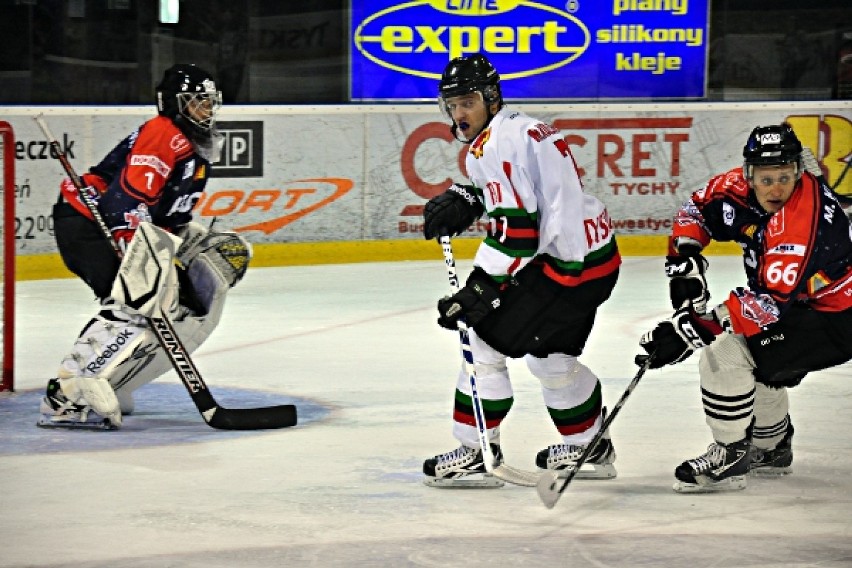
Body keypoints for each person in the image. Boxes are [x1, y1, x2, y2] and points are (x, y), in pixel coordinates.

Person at [420, 54, 622, 487]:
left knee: (482, 341)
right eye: (451, 105)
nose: (459, 115)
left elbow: (519, 235)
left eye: (467, 103)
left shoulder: (495, 144)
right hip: (597, 260)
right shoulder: (521, 125)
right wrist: (471, 196)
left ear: (491, 98)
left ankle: (474, 453)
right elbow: (531, 189)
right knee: (552, 357)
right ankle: (590, 446)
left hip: (562, 271)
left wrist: (480, 289)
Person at [638, 123, 852, 493]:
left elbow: (765, 305)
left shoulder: (800, 220)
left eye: (784, 178)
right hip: (803, 304)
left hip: (835, 317)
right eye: (766, 179)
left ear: (798, 173)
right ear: (749, 174)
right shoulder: (734, 188)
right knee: (764, 363)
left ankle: (730, 454)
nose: (776, 189)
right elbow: (696, 210)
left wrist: (688, 330)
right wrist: (686, 257)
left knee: (726, 353)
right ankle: (770, 448)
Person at [39, 63, 252, 429]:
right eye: (198, 102)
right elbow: (129, 199)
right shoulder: (164, 132)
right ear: (175, 104)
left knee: (168, 304)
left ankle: (112, 380)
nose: (207, 110)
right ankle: (65, 395)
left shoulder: (194, 144)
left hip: (116, 223)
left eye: (209, 102)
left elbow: (168, 212)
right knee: (133, 302)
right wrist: (139, 256)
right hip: (90, 225)